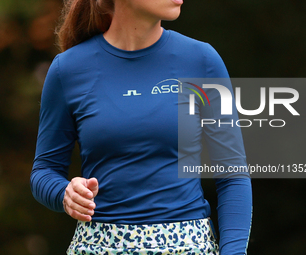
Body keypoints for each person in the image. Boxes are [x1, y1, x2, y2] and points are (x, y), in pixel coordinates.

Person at [31, 0, 253, 254]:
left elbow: (232, 174)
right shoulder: (67, 70)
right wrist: (65, 193)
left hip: (190, 246)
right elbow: (44, 171)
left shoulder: (201, 60)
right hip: (98, 247)